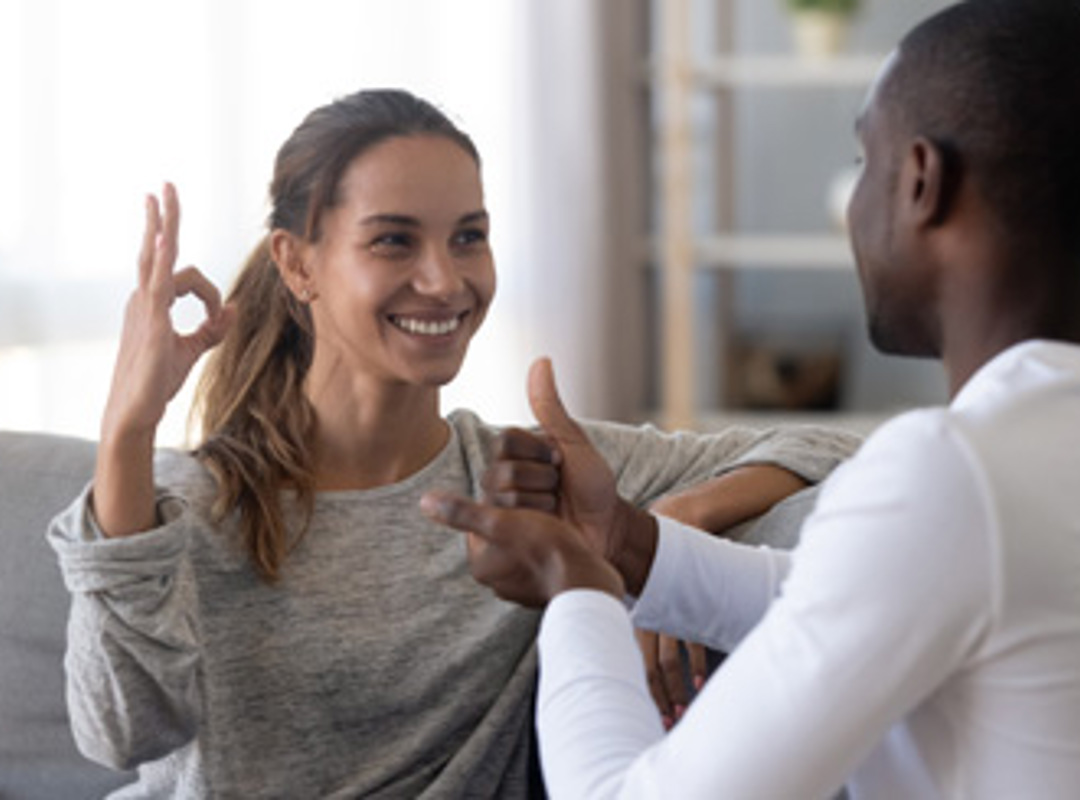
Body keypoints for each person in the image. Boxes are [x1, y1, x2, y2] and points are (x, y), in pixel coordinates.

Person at [47, 89, 858, 797]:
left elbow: (835, 452)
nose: (445, 280)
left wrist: (657, 536)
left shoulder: (523, 481)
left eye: (468, 236)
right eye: (394, 240)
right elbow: (122, 734)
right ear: (299, 264)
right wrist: (128, 431)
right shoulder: (195, 505)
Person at [421, 1, 1080, 797]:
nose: (854, 207)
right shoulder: (1030, 447)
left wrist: (577, 585)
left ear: (919, 181)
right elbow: (834, 597)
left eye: (862, 162)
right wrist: (624, 540)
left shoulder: (953, 472)